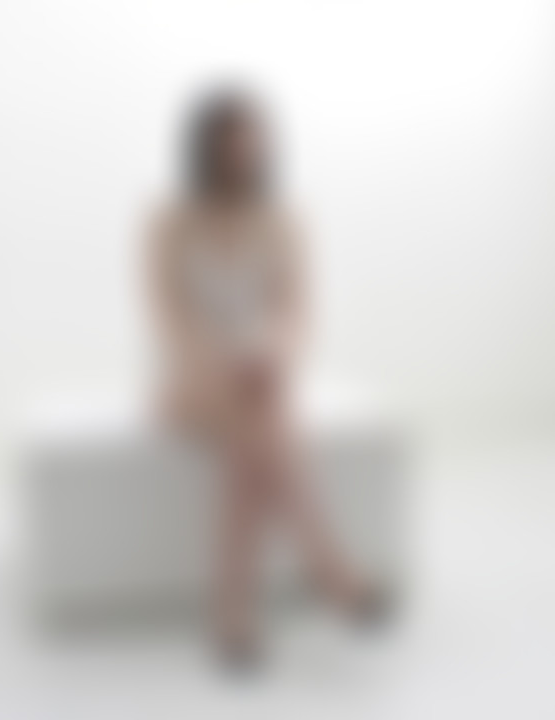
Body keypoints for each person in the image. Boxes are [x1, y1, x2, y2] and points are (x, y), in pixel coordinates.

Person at [146, 85, 387, 673]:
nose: (247, 151)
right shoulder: (167, 220)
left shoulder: (285, 219)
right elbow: (168, 320)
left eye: (255, 140)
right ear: (205, 146)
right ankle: (332, 574)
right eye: (233, 140)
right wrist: (218, 365)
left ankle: (233, 617)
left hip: (260, 377)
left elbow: (297, 314)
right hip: (188, 381)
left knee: (252, 447)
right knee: (262, 423)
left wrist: (274, 354)